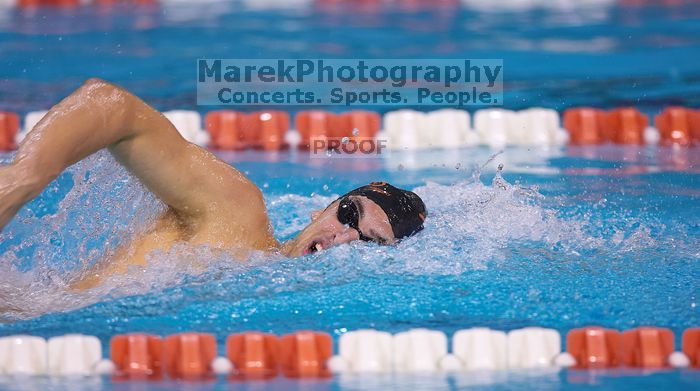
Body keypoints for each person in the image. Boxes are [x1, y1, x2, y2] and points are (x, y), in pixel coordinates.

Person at [0, 79, 426, 287]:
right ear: (323, 208)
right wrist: (21, 180)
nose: (344, 238)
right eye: (350, 214)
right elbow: (113, 106)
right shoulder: (238, 216)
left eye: (369, 242)